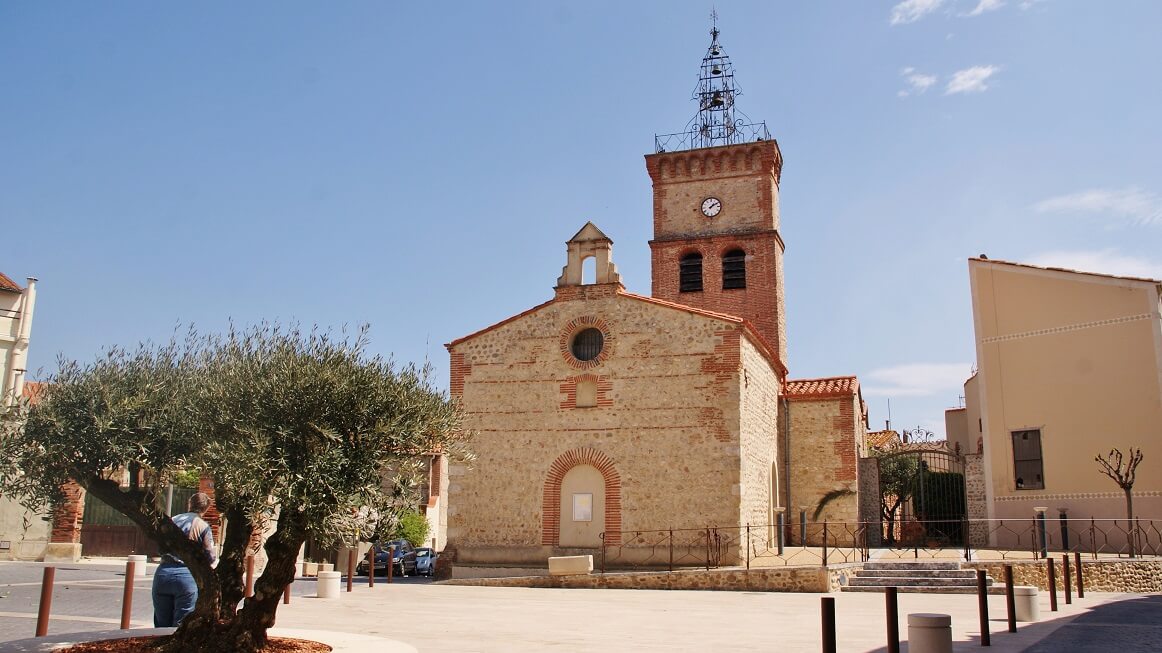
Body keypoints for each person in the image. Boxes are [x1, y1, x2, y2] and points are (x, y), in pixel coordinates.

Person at [152, 491, 216, 627]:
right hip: (187, 576)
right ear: (206, 508)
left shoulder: (172, 520)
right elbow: (211, 556)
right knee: (181, 624)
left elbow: (160, 545)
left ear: (189, 504)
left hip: (162, 573)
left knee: (161, 623)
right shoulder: (202, 526)